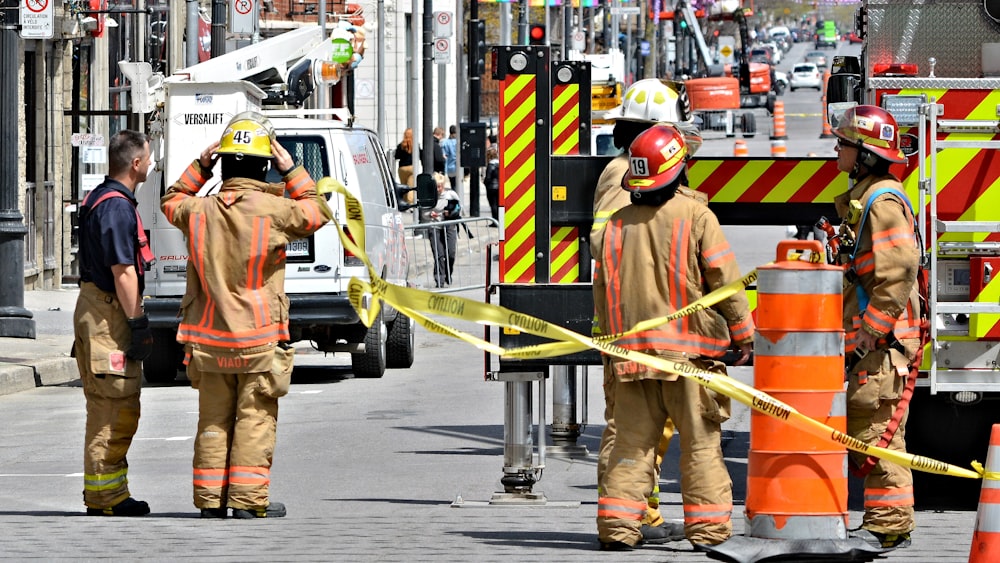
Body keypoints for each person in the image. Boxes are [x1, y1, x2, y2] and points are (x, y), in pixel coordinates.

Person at [160, 112, 332, 519]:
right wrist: (291, 169)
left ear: (224, 163)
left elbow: (170, 201)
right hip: (256, 337)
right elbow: (318, 211)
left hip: (209, 339)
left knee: (213, 421)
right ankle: (248, 501)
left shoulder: (199, 210)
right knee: (254, 418)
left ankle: (210, 501)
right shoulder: (273, 209)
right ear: (263, 165)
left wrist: (201, 166)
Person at [594, 124, 754, 551]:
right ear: (680, 168)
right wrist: (743, 334)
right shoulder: (697, 216)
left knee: (629, 447)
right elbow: (724, 283)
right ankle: (708, 532)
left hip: (630, 360)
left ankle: (617, 529)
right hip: (689, 361)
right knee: (701, 448)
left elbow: (603, 293)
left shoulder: (614, 225)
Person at [590, 78, 705, 545]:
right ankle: (629, 517)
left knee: (654, 425)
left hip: (649, 323)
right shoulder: (624, 177)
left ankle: (641, 514)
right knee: (631, 427)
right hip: (634, 326)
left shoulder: (636, 172)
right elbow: (610, 243)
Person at [833, 105, 920, 549]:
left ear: (864, 154)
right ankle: (886, 523)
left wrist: (872, 328)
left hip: (881, 347)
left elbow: (901, 268)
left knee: (877, 431)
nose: (837, 150)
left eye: (844, 144)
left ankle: (888, 526)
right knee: (870, 429)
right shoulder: (866, 197)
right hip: (873, 345)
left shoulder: (881, 201)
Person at [74, 129, 155, 517]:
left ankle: (107, 494)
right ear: (135, 163)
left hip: (95, 309)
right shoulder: (117, 208)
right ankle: (107, 497)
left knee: (108, 407)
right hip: (108, 315)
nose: (152, 164)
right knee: (114, 407)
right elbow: (123, 272)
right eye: (149, 158)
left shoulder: (101, 198)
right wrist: (138, 322)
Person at [423, 172, 461, 287]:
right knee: (439, 254)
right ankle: (439, 279)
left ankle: (448, 273)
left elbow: (459, 208)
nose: (438, 189)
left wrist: (451, 213)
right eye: (436, 186)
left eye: (440, 186)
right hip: (434, 226)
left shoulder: (451, 194)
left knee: (451, 253)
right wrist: (431, 214)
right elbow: (424, 213)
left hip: (449, 226)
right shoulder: (430, 196)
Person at [395, 128, 415, 204]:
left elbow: (397, 156)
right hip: (411, 168)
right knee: (410, 187)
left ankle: (403, 202)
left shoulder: (400, 145)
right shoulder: (415, 145)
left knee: (403, 186)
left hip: (402, 168)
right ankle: (410, 203)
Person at [483, 145, 500, 223]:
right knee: (497, 204)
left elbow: (488, 177)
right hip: (499, 186)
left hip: (491, 187)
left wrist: (485, 182)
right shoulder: (499, 164)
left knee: (493, 204)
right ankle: (499, 219)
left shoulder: (490, 165)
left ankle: (495, 220)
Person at [441, 125, 458, 189]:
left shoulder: (445, 142)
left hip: (449, 168)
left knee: (453, 184)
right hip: (457, 167)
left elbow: (444, 155)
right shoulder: (458, 142)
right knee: (456, 185)